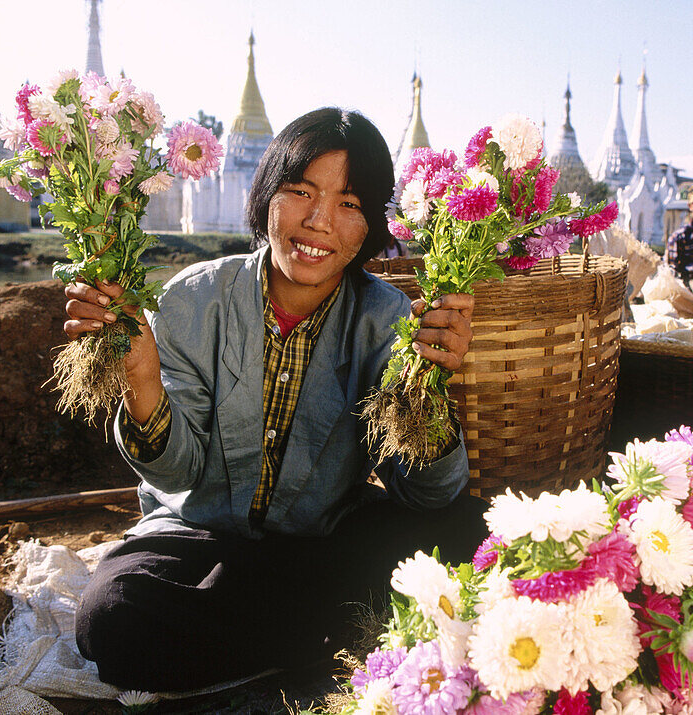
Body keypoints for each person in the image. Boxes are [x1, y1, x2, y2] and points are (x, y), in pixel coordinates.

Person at [63, 108, 488, 691]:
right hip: (196, 538)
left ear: (372, 228)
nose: (319, 222)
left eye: (349, 204)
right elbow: (177, 469)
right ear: (266, 197)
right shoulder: (193, 299)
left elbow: (427, 494)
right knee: (114, 618)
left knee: (471, 530)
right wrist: (141, 378)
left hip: (316, 544)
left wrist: (431, 389)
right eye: (299, 192)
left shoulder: (388, 319)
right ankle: (330, 642)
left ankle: (275, 643)